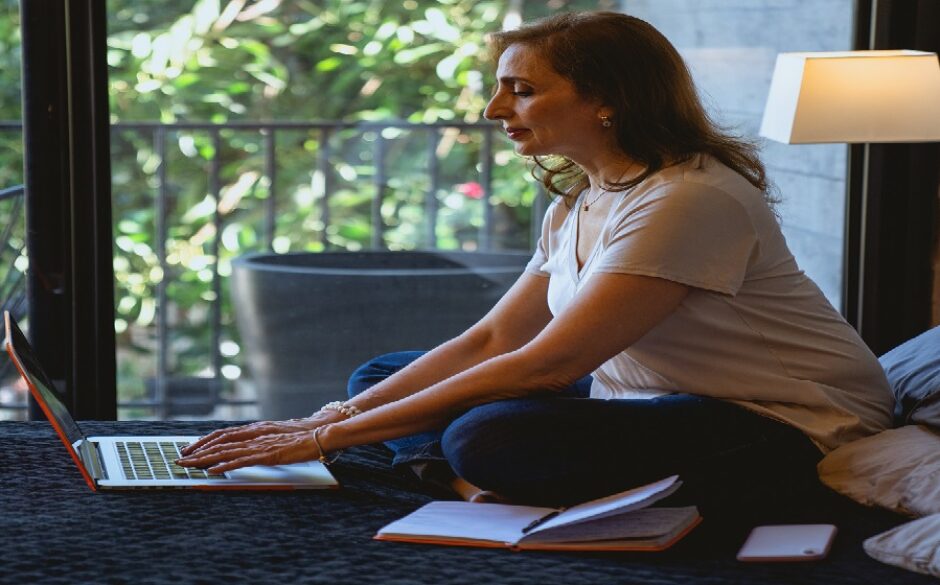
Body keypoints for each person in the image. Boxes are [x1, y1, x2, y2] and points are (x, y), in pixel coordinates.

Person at [178, 11, 893, 511]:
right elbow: (491, 340)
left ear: (608, 100)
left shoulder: (690, 199)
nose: (495, 109)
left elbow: (546, 365)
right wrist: (334, 414)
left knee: (485, 432)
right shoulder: (582, 200)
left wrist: (322, 436)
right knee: (382, 375)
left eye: (521, 89)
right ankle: (456, 479)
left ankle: (450, 468)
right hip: (642, 397)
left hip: (786, 424)